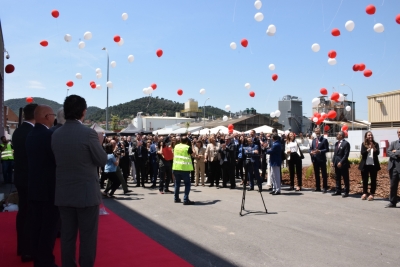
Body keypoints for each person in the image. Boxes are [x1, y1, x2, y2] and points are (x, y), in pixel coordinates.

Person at [51, 95, 107, 267]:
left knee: (67, 237)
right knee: (87, 238)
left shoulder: (56, 134)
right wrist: (99, 143)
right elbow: (102, 159)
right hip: (86, 195)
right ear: (83, 112)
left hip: (63, 193)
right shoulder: (88, 133)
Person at [26, 105, 60, 267]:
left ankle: (38, 259)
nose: (54, 118)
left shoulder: (31, 134)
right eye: (53, 115)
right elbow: (57, 161)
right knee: (48, 228)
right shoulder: (49, 135)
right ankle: (46, 261)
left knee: (36, 226)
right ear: (47, 116)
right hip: (49, 189)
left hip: (34, 187)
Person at [12, 103, 38, 262]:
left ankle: (22, 247)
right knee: (30, 216)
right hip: (31, 179)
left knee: (23, 214)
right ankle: (28, 250)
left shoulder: (18, 131)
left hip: (21, 178)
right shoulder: (32, 132)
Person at [172, 136, 195, 205]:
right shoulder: (187, 147)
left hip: (176, 167)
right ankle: (185, 199)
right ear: (187, 141)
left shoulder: (176, 146)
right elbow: (193, 155)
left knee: (177, 184)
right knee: (187, 184)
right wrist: (192, 146)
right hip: (184, 169)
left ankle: (176, 198)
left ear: (180, 141)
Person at [358, 131, 380, 201]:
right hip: (365, 165)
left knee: (373, 180)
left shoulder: (376, 144)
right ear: (366, 137)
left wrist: (374, 148)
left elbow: (377, 153)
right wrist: (368, 149)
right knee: (365, 179)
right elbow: (362, 153)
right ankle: (365, 193)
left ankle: (372, 193)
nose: (370, 136)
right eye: (369, 135)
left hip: (373, 165)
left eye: (371, 135)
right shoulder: (363, 144)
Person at [309, 127, 330, 193]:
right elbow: (311, 149)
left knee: (324, 174)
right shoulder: (314, 140)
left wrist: (320, 151)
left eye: (318, 131)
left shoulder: (324, 140)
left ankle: (324, 187)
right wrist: (310, 152)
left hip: (322, 160)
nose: (317, 132)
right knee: (316, 174)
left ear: (320, 131)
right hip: (315, 159)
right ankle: (318, 187)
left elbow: (327, 149)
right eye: (316, 131)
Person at [331, 131, 351, 198]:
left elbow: (346, 155)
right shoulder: (336, 143)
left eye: (338, 134)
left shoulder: (346, 143)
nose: (336, 135)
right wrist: (332, 161)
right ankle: (338, 190)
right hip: (336, 163)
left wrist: (341, 162)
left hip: (343, 164)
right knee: (337, 177)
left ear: (341, 136)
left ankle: (346, 191)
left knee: (345, 178)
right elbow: (335, 154)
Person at [386, 129, 400, 208]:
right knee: (393, 185)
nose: (399, 134)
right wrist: (397, 155)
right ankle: (392, 202)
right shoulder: (393, 143)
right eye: (398, 132)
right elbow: (388, 151)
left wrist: (396, 151)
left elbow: (392, 152)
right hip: (393, 167)